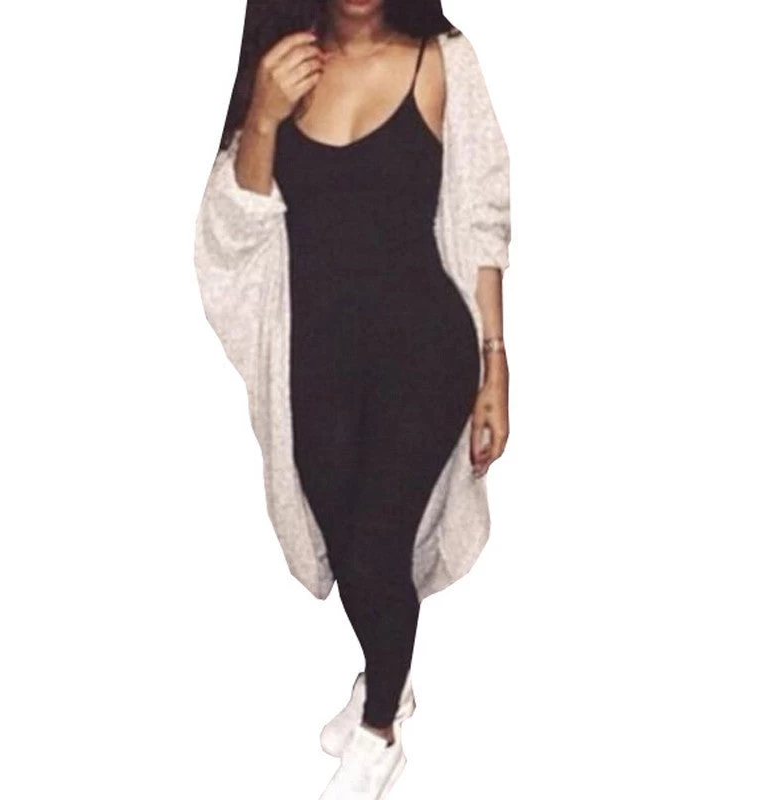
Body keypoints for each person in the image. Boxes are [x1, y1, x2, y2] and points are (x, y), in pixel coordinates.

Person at [194, 2, 511, 797]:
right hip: (318, 360)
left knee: (376, 549)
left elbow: (482, 217)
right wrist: (264, 117)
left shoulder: (442, 59)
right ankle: (388, 677)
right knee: (348, 548)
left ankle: (379, 735)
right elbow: (235, 229)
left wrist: (495, 364)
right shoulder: (281, 69)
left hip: (425, 351)